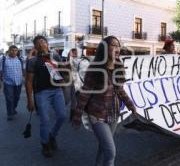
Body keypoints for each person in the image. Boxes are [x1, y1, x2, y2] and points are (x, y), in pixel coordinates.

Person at [72, 36, 137, 166]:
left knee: (104, 147)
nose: (117, 48)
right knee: (110, 152)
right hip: (97, 116)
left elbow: (120, 90)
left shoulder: (119, 67)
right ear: (105, 49)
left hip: (113, 114)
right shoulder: (94, 69)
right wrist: (77, 116)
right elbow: (85, 94)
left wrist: (131, 105)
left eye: (118, 45)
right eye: (113, 45)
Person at [25, 35, 66, 157]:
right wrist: (30, 100)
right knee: (45, 120)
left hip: (57, 90)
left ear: (47, 44)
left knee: (62, 116)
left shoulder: (55, 56)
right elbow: (28, 81)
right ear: (35, 47)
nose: (41, 44)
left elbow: (61, 70)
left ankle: (52, 135)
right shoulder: (32, 61)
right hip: (42, 93)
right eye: (38, 43)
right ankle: (45, 143)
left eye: (43, 41)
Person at [0, 45, 25, 120]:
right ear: (9, 50)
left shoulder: (20, 59)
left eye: (15, 51)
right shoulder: (4, 59)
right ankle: (10, 114)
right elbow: (0, 71)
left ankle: (13, 108)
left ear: (17, 52)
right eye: (12, 50)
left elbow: (23, 70)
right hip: (8, 83)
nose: (14, 52)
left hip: (19, 83)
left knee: (17, 97)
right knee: (9, 98)